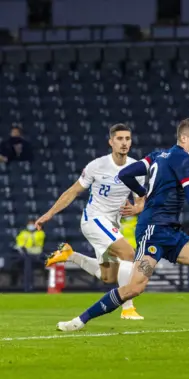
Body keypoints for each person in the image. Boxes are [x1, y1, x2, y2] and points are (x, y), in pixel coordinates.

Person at [55, 118, 189, 332]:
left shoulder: (157, 156)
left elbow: (125, 174)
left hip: (170, 231)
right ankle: (79, 321)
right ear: (184, 138)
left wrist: (145, 195)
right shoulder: (185, 159)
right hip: (154, 231)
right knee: (134, 288)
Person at [35, 124, 145, 320]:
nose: (124, 143)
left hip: (111, 224)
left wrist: (136, 209)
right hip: (93, 219)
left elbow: (140, 202)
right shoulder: (97, 165)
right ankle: (128, 308)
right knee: (128, 253)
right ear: (111, 142)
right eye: (119, 139)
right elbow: (73, 192)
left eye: (127, 139)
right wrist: (49, 213)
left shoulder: (137, 168)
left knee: (108, 277)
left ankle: (70, 255)